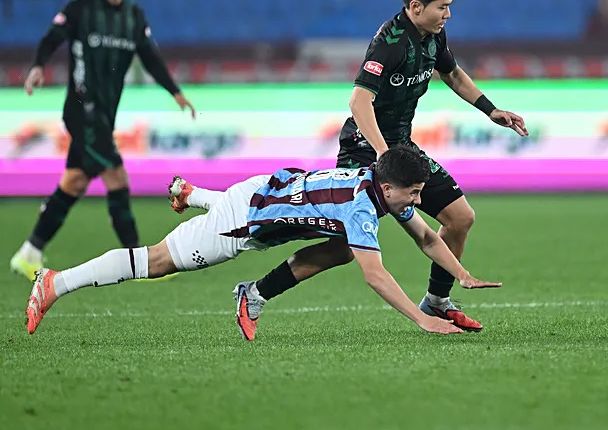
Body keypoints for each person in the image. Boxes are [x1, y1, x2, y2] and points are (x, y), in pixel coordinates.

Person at [26, 146, 501, 339]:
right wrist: (422, 320)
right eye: (414, 193)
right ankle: (56, 281)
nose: (418, 201)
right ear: (391, 186)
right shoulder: (360, 207)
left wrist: (461, 274)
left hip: (262, 189)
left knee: (339, 247)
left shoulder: (373, 183)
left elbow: (423, 237)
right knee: (157, 263)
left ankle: (194, 197)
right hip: (244, 221)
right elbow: (375, 276)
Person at [335, 0, 527, 331]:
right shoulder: (389, 43)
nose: (448, 15)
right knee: (339, 249)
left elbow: (452, 73)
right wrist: (383, 155)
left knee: (460, 218)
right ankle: (261, 287)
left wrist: (490, 110)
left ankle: (438, 302)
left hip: (399, 149)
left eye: (450, 7)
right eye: (443, 7)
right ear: (416, 6)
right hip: (365, 150)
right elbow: (358, 101)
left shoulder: (433, 34)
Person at [9, 0, 195, 282]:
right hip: (81, 111)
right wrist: (37, 65)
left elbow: (150, 57)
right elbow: (52, 36)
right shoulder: (81, 9)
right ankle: (139, 260)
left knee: (75, 182)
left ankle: (29, 253)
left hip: (105, 115)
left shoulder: (133, 16)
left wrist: (175, 92)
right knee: (117, 178)